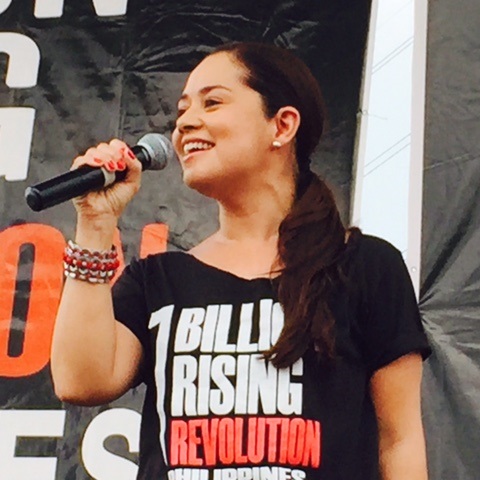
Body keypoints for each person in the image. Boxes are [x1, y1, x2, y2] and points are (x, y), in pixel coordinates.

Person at [51, 42, 431, 480]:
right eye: (182, 110)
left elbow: (399, 440)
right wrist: (95, 224)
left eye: (212, 102)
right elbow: (80, 380)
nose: (185, 123)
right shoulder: (157, 281)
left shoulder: (363, 267)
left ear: (282, 125)